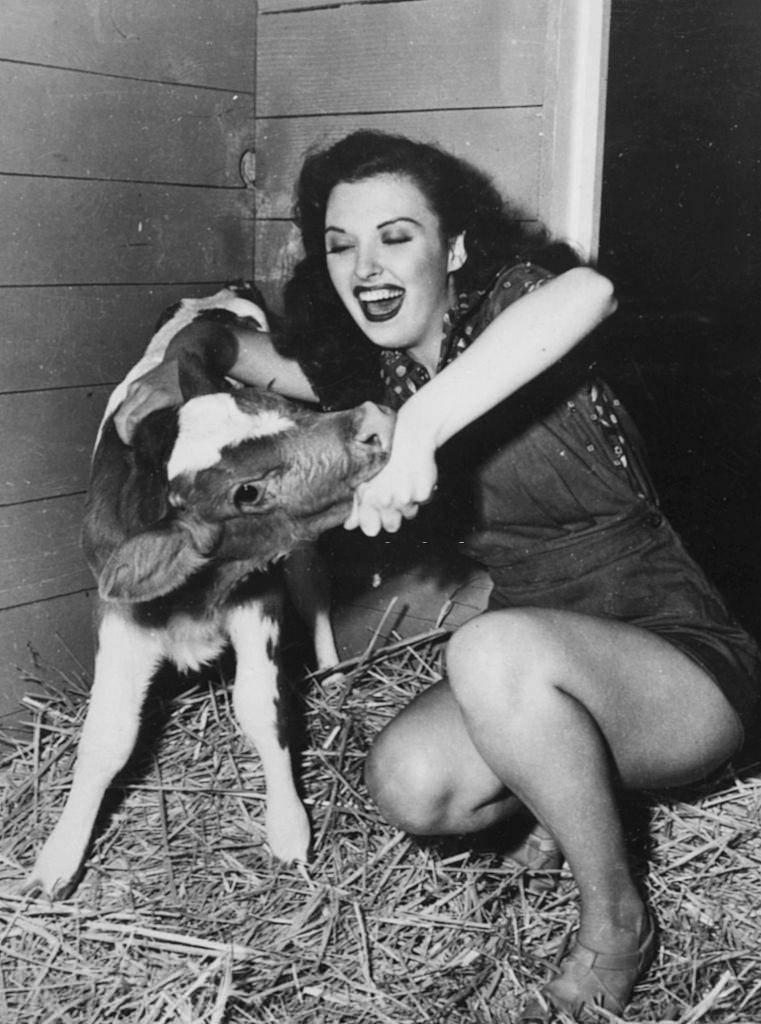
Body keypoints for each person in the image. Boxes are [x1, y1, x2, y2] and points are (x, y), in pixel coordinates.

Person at [114, 131, 761, 1020]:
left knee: (489, 648)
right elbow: (231, 348)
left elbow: (591, 290)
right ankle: (565, 785)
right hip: (536, 664)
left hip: (676, 664)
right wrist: (178, 361)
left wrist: (421, 429)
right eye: (340, 245)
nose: (365, 265)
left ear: (452, 247)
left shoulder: (516, 310)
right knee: (412, 785)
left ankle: (617, 918)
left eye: (396, 236)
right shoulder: (365, 374)